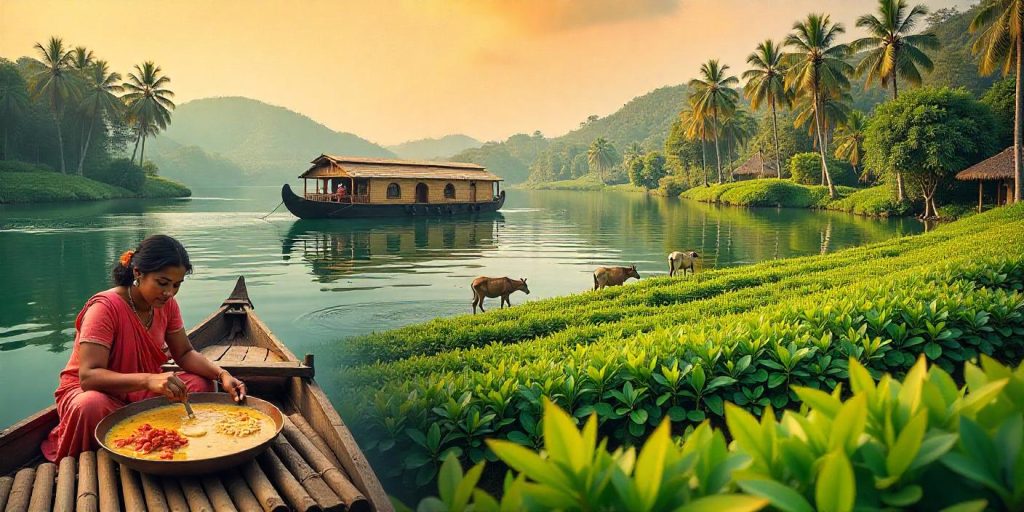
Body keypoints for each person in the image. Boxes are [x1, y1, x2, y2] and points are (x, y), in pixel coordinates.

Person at [41, 234, 246, 461]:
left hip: (138, 388)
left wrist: (222, 374)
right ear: (138, 273)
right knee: (89, 405)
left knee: (200, 383)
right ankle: (94, 462)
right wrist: (149, 380)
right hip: (97, 392)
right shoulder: (104, 309)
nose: (169, 293)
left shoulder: (167, 306)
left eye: (176, 285)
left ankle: (165, 441)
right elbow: (89, 377)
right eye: (162, 283)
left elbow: (184, 353)